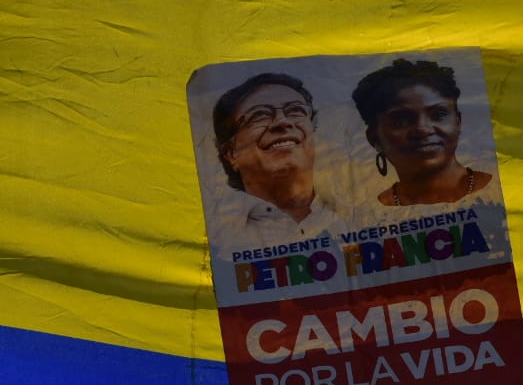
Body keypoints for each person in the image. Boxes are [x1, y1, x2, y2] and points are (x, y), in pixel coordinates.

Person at [209, 72, 343, 251]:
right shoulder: (218, 237)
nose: (282, 122)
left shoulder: (357, 216)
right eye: (259, 115)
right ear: (231, 153)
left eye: (296, 111)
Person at [351, 60, 495, 207]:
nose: (423, 129)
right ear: (374, 138)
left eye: (439, 114)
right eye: (401, 120)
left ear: (457, 122)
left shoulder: (496, 191)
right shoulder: (371, 214)